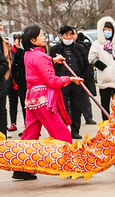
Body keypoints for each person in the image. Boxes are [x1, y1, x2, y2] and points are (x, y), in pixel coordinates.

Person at [13, 25, 84, 181]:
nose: (44, 38)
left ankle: (21, 168)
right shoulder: (40, 57)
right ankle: (70, 165)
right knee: (62, 132)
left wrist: (52, 59)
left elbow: (39, 63)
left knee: (30, 134)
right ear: (32, 40)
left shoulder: (28, 55)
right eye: (41, 35)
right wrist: (70, 79)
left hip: (32, 99)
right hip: (45, 100)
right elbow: (52, 81)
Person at [50, 26, 90, 139]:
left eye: (71, 35)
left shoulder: (80, 48)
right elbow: (50, 66)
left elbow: (86, 65)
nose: (69, 37)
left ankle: (75, 131)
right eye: (66, 35)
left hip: (77, 82)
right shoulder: (55, 49)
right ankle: (63, 130)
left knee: (77, 107)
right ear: (61, 36)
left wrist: (85, 79)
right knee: (63, 108)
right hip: (62, 83)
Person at [88, 16, 115, 121]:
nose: (108, 32)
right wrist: (102, 67)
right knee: (105, 104)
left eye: (110, 30)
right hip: (105, 79)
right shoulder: (97, 44)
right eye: (105, 30)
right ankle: (105, 123)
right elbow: (92, 57)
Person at [8, 33, 26, 132]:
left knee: (24, 103)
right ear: (14, 41)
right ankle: (13, 123)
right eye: (18, 40)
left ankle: (26, 123)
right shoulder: (10, 52)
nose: (19, 43)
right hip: (12, 81)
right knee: (12, 103)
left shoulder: (24, 52)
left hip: (22, 81)